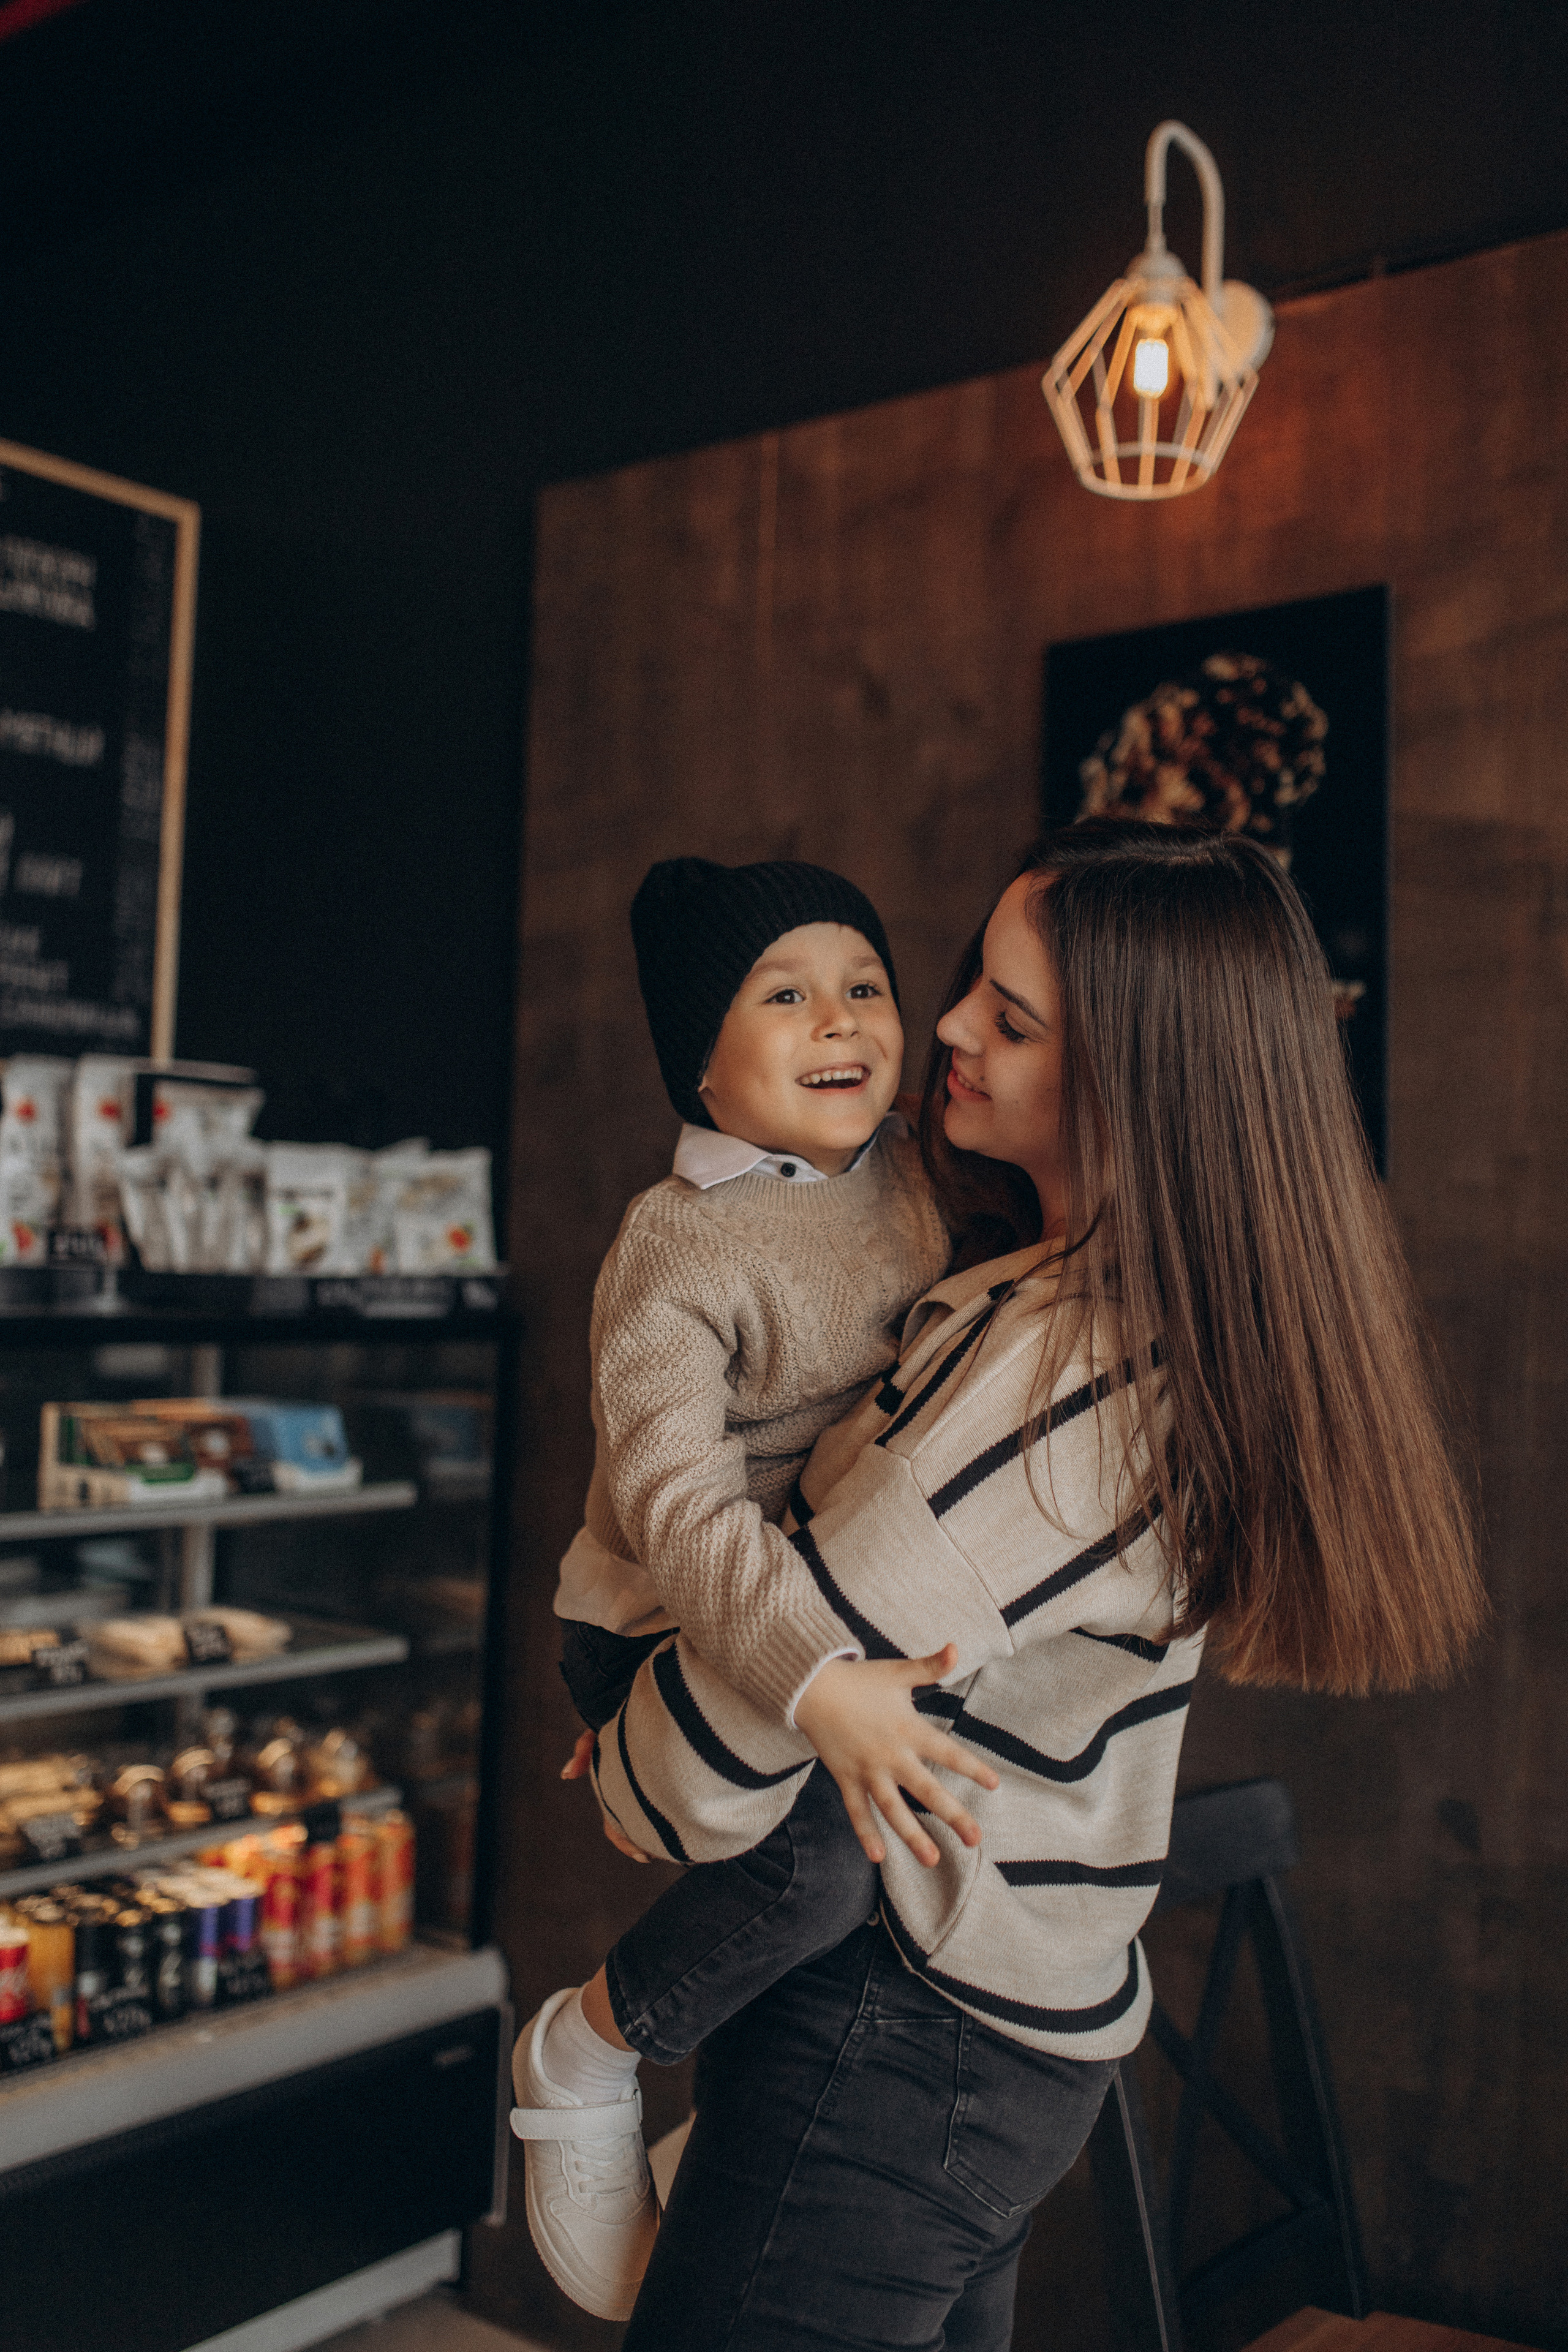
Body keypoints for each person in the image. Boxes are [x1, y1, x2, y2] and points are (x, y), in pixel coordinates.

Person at [578, 819, 1483, 2350]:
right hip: (987, 2027)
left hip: (897, 2026)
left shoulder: (1065, 1376)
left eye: (1006, 1017)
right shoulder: (1050, 1287)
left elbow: (736, 1740)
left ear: (1138, 1074)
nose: (935, 1028)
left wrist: (627, 1758)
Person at [513, 855, 975, 2321]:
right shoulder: (678, 1244)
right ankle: (586, 2051)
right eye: (784, 995)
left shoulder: (908, 1169)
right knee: (821, 1867)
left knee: (906, 1879)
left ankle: (759, 2131)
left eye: (863, 986)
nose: (838, 1018)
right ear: (703, 1072)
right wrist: (806, 1679)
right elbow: (674, 1506)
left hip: (812, 1611)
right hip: (663, 1611)